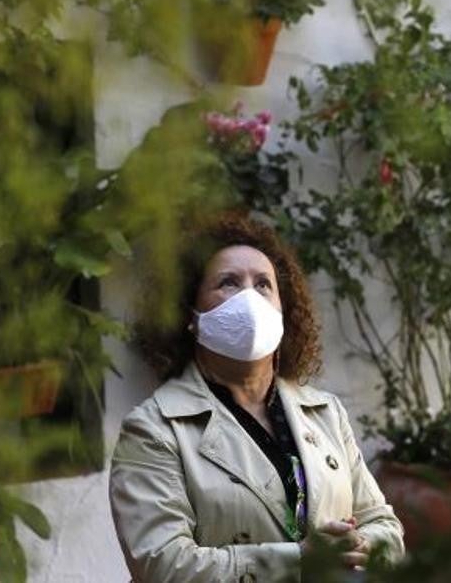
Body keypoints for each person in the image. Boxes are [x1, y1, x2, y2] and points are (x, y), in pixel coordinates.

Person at [109, 213, 404, 582]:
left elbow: (383, 524)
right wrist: (297, 561)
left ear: (284, 311)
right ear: (191, 314)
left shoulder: (325, 413)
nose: (249, 297)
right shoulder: (155, 430)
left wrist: (356, 547)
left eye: (263, 284)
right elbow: (164, 565)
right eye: (228, 283)